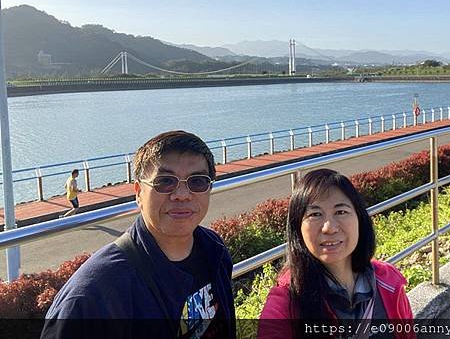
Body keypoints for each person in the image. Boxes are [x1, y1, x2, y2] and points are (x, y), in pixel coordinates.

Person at [42, 131, 235, 339]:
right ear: (138, 193)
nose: (181, 195)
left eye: (197, 181)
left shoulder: (214, 251)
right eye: (165, 182)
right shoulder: (94, 296)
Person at [259, 169, 414, 339]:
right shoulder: (286, 302)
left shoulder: (388, 282)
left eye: (341, 212)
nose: (329, 228)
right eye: (315, 214)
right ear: (298, 229)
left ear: (360, 220)